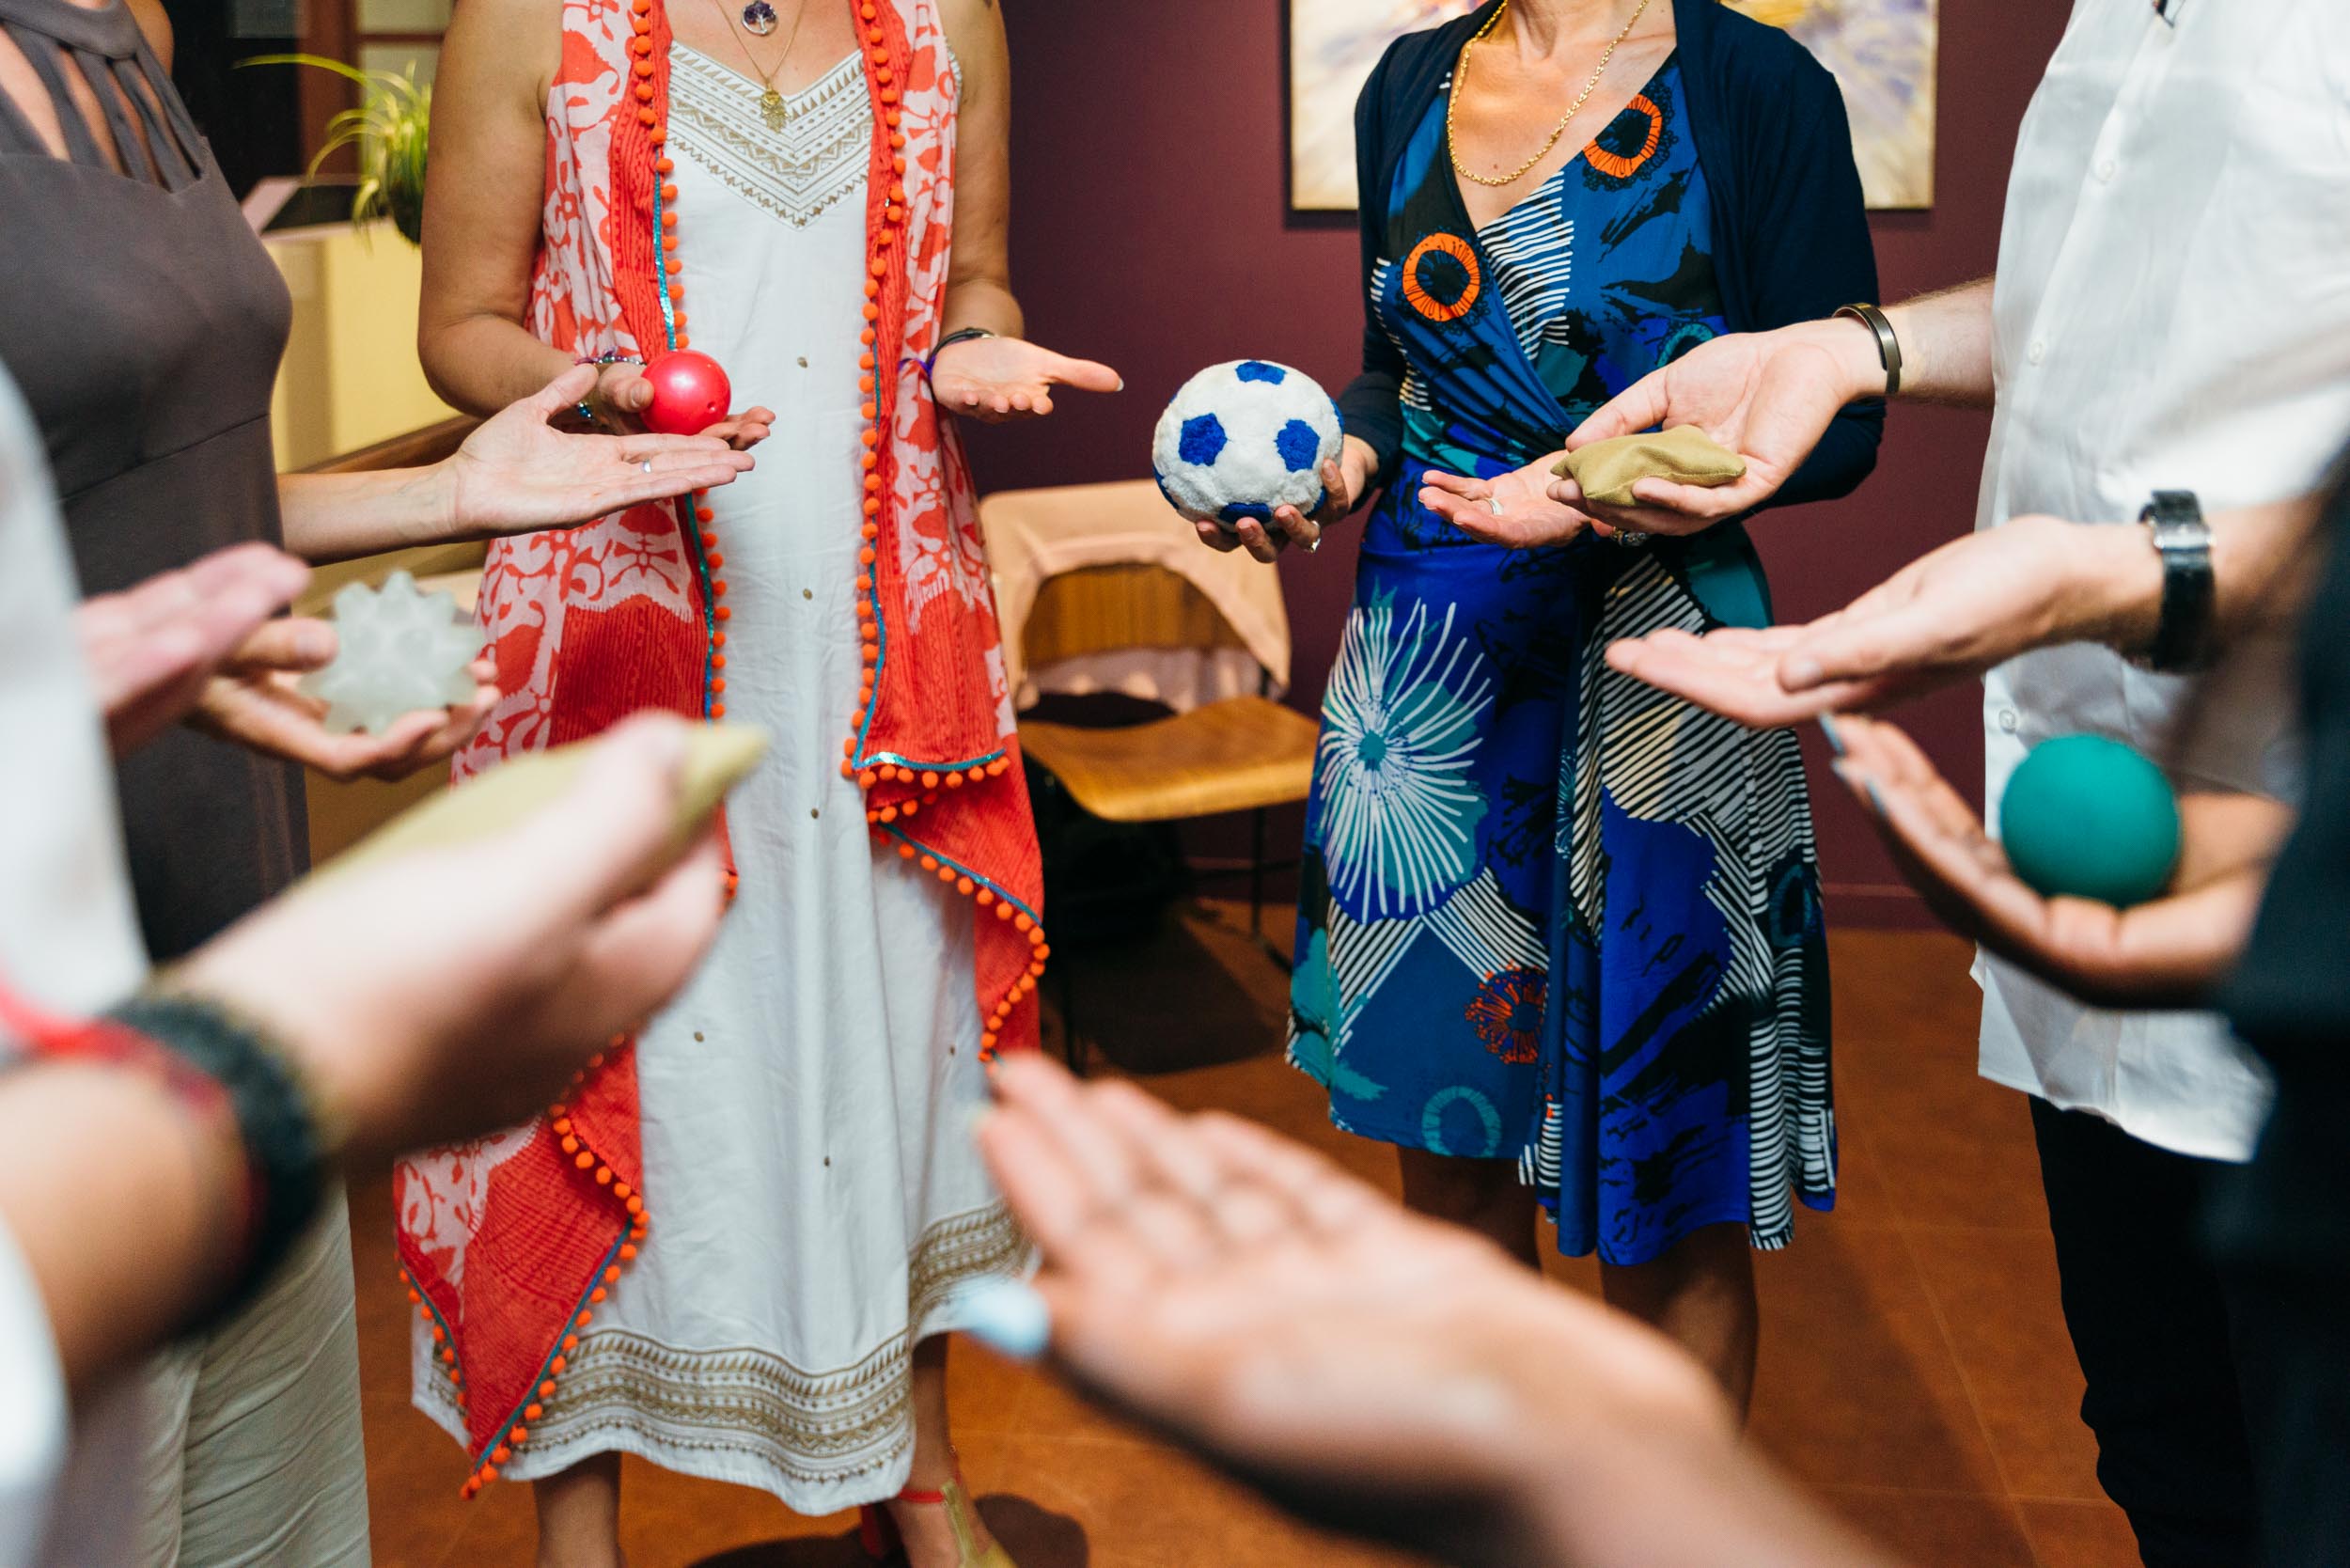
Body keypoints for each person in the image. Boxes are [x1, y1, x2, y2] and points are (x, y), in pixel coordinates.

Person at [1446, 2, 2350, 1555]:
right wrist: (1858, 346)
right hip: (2085, 848)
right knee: (2166, 1452)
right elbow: (2119, 306)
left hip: (2303, 872)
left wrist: (2140, 576)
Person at [0, 2, 758, 1559]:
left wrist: (447, 489)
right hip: (45, 1070)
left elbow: (158, 504)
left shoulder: (120, 33)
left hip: (230, 966)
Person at [414, 0, 1120, 1560]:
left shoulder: (952, 18)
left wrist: (978, 340)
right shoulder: (525, 14)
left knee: (896, 1054)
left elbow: (976, 277)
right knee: (596, 1056)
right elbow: (460, 321)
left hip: (881, 636)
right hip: (617, 616)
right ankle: (575, 1534)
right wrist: (603, 390)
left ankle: (917, 1484)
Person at [1214, 0, 1878, 1406]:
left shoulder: (1758, 85)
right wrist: (1340, 461)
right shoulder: (1408, 80)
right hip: (1428, 691)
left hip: (1664, 677)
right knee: (1448, 1176)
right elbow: (1397, 368)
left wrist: (1589, 488)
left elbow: (1845, 418)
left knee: (1669, 1191)